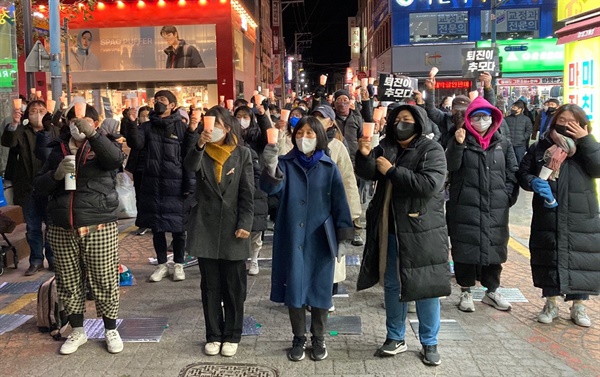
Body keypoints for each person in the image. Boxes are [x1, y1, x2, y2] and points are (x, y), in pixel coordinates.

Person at [355, 104, 450, 366]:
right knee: (393, 284)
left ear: (419, 123)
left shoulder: (431, 150)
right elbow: (368, 172)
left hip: (422, 231)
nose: (401, 124)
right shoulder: (385, 146)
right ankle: (395, 337)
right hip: (390, 228)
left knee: (425, 287)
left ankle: (429, 342)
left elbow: (429, 185)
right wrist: (364, 155)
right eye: (397, 120)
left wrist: (392, 171)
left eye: (407, 119)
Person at [33, 104, 126, 355]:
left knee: (104, 279)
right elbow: (38, 186)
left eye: (83, 120)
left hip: (98, 224)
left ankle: (110, 329)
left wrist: (94, 136)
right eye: (73, 120)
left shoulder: (104, 145)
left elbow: (115, 160)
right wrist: (55, 175)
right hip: (62, 225)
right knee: (68, 280)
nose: (77, 125)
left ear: (95, 122)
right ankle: (77, 330)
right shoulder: (56, 149)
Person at [260, 116, 353, 362]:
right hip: (291, 236)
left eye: (311, 133)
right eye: (300, 133)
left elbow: (340, 203)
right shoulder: (285, 163)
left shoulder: (329, 166)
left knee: (321, 290)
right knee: (295, 289)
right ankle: (298, 337)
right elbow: (271, 189)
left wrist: (344, 235)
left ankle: (319, 337)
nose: (305, 138)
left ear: (320, 137)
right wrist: (270, 168)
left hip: (320, 237)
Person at [517, 104, 600, 328]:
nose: (566, 126)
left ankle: (579, 306)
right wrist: (532, 181)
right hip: (548, 211)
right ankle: (550, 304)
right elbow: (523, 173)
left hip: (581, 213)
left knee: (581, 257)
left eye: (572, 122)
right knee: (549, 255)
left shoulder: (588, 147)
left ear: (582, 124)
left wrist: (586, 140)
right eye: (561, 121)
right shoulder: (541, 147)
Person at [184, 106, 254, 357]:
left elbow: (248, 193)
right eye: (209, 126)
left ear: (227, 128)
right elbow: (190, 167)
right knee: (210, 285)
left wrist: (245, 223)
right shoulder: (200, 151)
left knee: (234, 286)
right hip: (206, 226)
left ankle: (233, 334)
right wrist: (199, 144)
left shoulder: (242, 153)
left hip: (234, 227)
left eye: (218, 126)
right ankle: (213, 334)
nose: (213, 130)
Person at [445, 97, 519, 313]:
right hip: (464, 205)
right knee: (464, 248)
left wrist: (506, 196)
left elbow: (512, 172)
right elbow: (450, 166)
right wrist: (457, 145)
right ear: (468, 119)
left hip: (496, 205)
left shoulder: (502, 143)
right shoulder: (459, 138)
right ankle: (466, 291)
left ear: (493, 119)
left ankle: (492, 290)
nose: (481, 121)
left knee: (494, 246)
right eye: (476, 116)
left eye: (485, 116)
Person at [125, 90, 196, 282]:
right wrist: (131, 123)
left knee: (179, 228)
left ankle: (179, 264)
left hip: (176, 185)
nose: (158, 103)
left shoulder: (181, 128)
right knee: (157, 228)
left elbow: (189, 158)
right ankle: (162, 264)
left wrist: (189, 185)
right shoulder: (147, 127)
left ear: (173, 105)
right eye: (156, 100)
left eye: (163, 100)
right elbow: (136, 144)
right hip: (153, 184)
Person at [312, 104, 362, 311]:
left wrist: (353, 211)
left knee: (332, 250)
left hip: (333, 206)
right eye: (314, 117)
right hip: (311, 208)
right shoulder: (304, 142)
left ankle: (329, 293)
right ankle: (312, 293)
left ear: (331, 122)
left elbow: (348, 178)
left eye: (322, 118)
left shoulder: (338, 146)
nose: (317, 121)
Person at [2, 100, 60, 275]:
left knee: (52, 225)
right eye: (34, 111)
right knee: (32, 226)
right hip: (28, 187)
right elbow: (8, 141)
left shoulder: (54, 131)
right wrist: (14, 123)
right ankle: (36, 260)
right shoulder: (22, 131)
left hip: (51, 186)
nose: (37, 114)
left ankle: (52, 258)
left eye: (41, 110)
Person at [233, 104, 271, 276]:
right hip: (236, 182)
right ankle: (240, 257)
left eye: (246, 116)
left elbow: (269, 135)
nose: (242, 120)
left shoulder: (257, 137)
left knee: (256, 224)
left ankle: (254, 259)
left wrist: (263, 115)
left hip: (257, 182)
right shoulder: (231, 136)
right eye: (238, 116)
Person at [421, 72, 496, 148]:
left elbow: (489, 109)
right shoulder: (445, 119)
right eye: (457, 109)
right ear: (452, 109)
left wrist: (488, 88)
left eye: (464, 110)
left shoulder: (475, 120)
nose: (460, 112)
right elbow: (430, 109)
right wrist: (430, 90)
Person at [121, 106, 151, 236]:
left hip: (152, 169)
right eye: (142, 115)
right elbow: (132, 142)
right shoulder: (136, 129)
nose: (145, 118)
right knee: (140, 197)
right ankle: (143, 224)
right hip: (139, 169)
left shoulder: (154, 130)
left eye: (147, 115)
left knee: (152, 197)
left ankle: (153, 223)